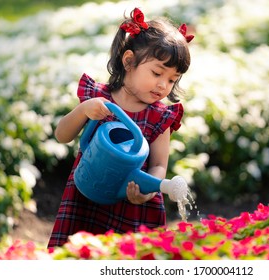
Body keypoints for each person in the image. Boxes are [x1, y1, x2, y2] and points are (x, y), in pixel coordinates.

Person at [47, 7, 193, 248]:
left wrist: (147, 191)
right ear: (129, 61)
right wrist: (83, 110)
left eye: (171, 79)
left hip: (133, 206)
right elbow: (62, 135)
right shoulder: (99, 100)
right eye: (157, 72)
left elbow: (158, 165)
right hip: (87, 196)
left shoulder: (159, 116)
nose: (163, 85)